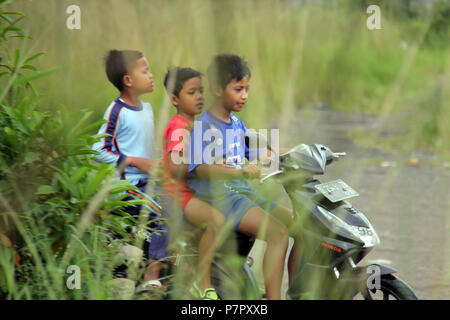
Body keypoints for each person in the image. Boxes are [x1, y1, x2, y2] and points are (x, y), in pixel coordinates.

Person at [187, 54, 302, 300]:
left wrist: (304, 153)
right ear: (218, 89)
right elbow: (201, 168)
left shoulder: (237, 124)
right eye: (238, 89)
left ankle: (297, 293)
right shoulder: (204, 127)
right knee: (278, 234)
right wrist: (238, 171)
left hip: (245, 195)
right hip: (223, 198)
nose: (244, 96)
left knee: (302, 227)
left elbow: (265, 151)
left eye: (247, 89)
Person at [92, 49, 171, 290]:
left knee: (181, 203)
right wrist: (136, 161)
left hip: (148, 182)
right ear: (128, 80)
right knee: (162, 215)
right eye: (145, 71)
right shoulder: (116, 111)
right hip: (127, 186)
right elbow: (98, 150)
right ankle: (151, 276)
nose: (151, 75)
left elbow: (144, 146)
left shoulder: (146, 108)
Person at [162, 67, 225, 300]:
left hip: (192, 191)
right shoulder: (180, 127)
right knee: (215, 221)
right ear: (175, 99)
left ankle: (226, 277)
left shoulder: (195, 125)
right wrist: (200, 168)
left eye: (201, 91)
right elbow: (175, 167)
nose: (199, 96)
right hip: (178, 193)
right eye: (192, 92)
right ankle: (204, 283)